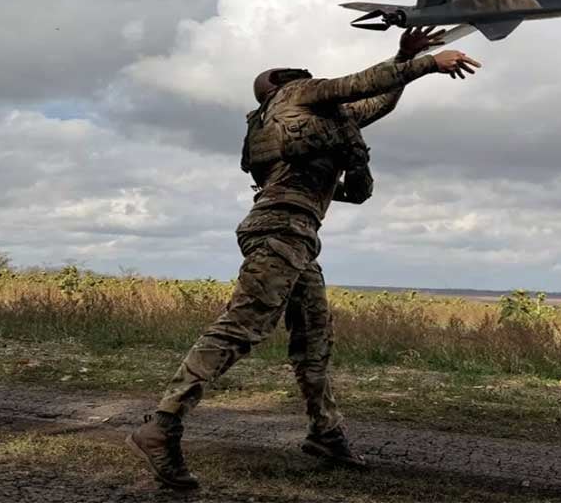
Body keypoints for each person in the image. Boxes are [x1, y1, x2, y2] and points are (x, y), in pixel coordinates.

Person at [126, 27, 481, 489]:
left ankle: (325, 433)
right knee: (243, 326)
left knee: (314, 339)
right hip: (280, 231)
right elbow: (359, 85)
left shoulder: (314, 122)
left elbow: (377, 101)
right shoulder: (296, 96)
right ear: (275, 88)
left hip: (296, 236)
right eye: (283, 73)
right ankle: (162, 424)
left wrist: (402, 57)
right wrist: (428, 63)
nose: (298, 72)